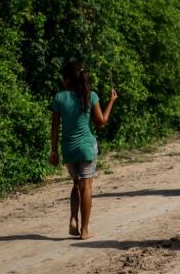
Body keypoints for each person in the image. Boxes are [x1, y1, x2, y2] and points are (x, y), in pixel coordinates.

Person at [49, 61, 117, 240]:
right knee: (86, 186)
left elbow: (55, 127)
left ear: (68, 79)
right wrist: (111, 101)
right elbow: (101, 122)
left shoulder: (59, 98)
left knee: (76, 184)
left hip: (68, 148)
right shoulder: (90, 96)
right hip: (86, 147)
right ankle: (85, 230)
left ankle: (73, 219)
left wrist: (53, 150)